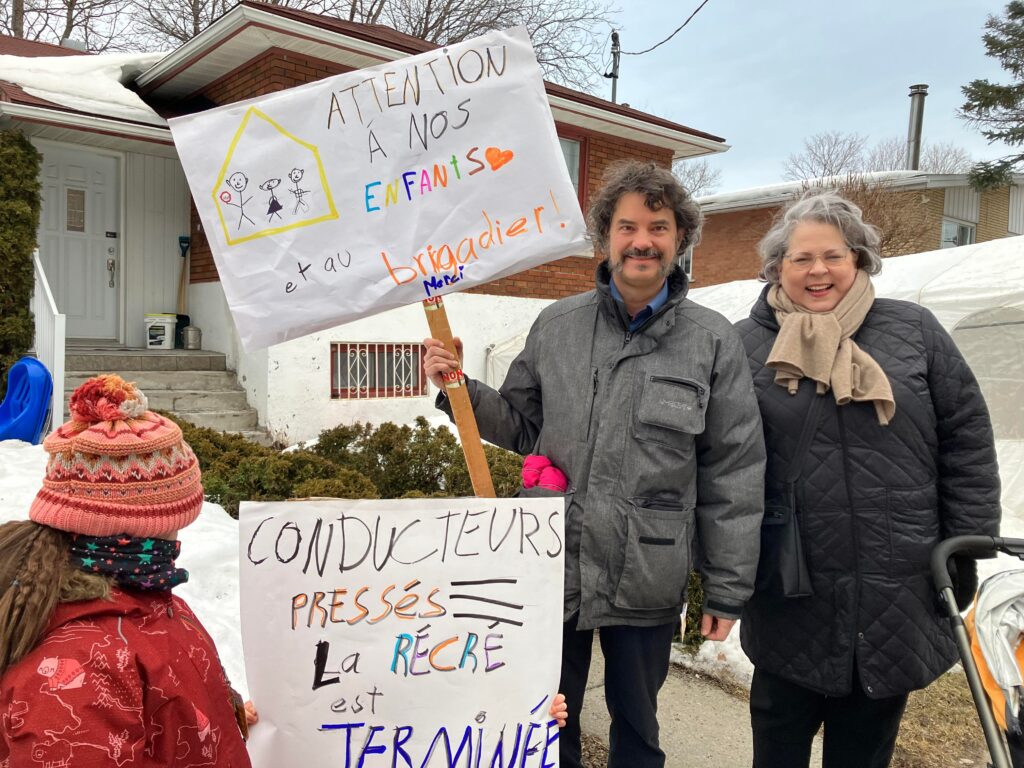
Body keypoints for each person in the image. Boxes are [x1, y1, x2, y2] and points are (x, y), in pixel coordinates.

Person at [424, 160, 766, 767]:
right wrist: (458, 388)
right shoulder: (558, 324)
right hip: (552, 563)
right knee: (544, 721)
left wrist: (727, 588)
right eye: (628, 225)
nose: (642, 240)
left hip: (646, 572)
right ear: (606, 237)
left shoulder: (712, 340)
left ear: (679, 238)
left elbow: (733, 471)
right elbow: (525, 426)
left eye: (658, 227)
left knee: (638, 728)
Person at [735, 189, 1001, 768]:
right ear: (777, 266)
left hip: (896, 582)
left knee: (865, 749)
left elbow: (967, 438)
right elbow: (724, 465)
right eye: (801, 258)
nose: (818, 270)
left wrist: (967, 545)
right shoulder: (744, 344)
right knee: (778, 742)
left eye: (833, 255)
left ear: (859, 259)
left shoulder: (914, 331)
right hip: (790, 586)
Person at [0, 374, 255, 767]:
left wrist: (221, 714)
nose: (179, 534)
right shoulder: (77, 665)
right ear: (140, 524)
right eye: (178, 518)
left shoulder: (150, 597)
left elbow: (165, 694)